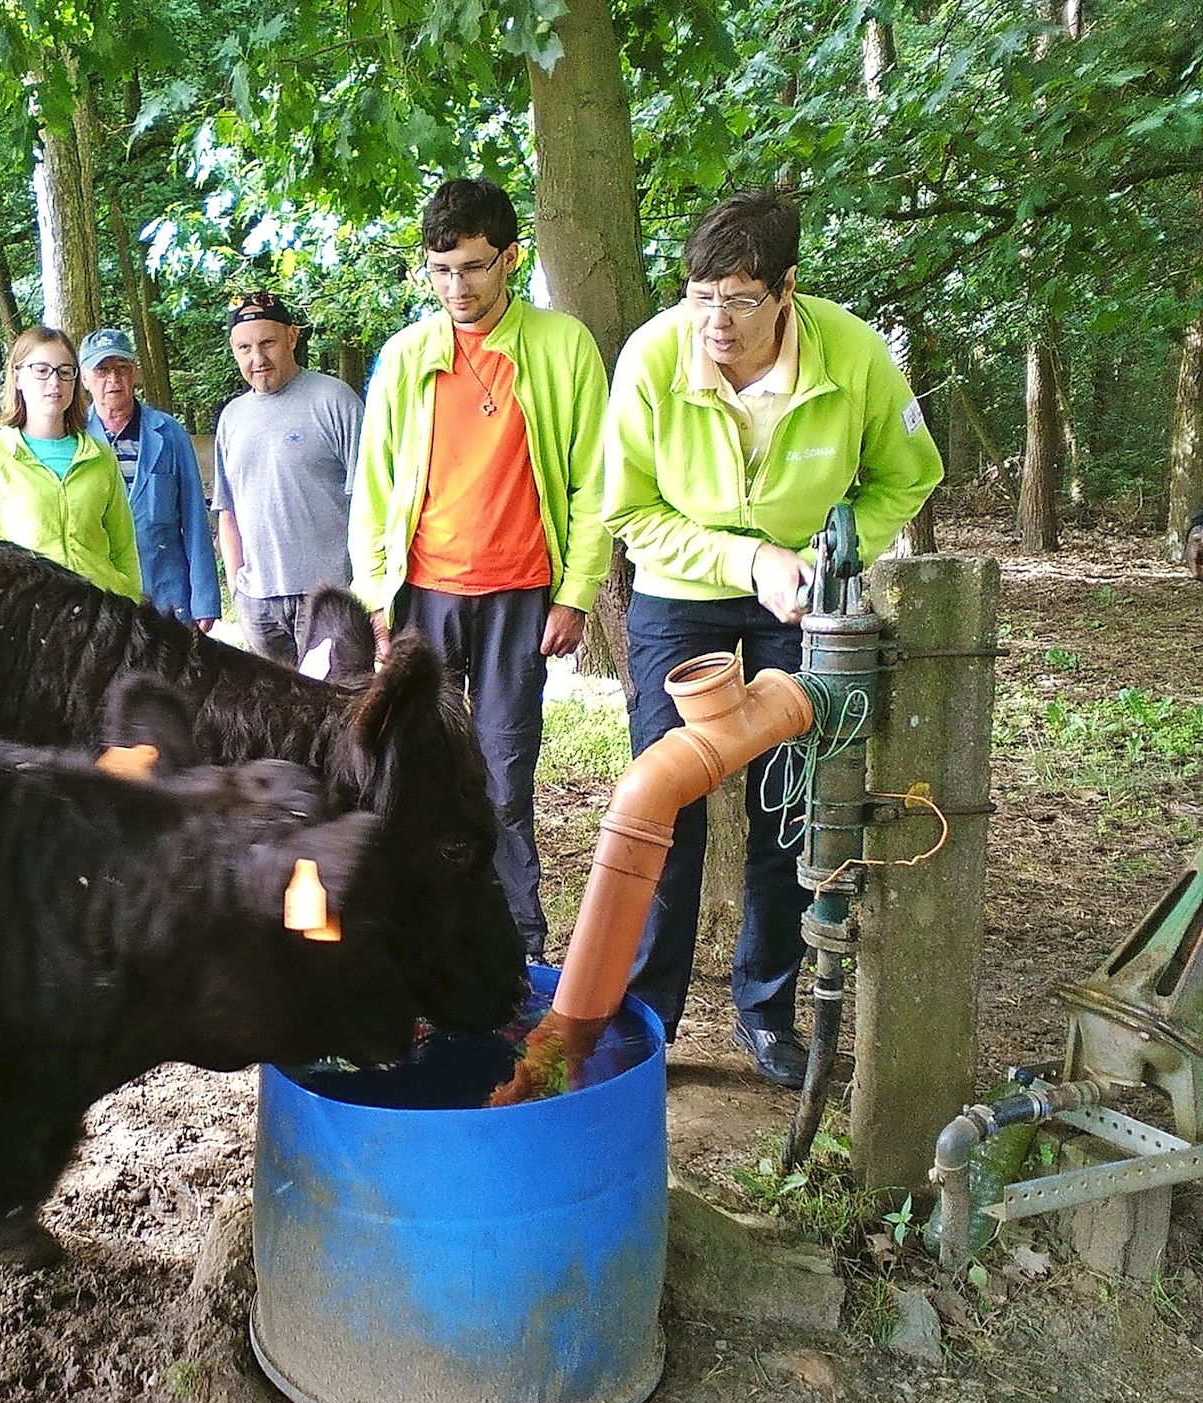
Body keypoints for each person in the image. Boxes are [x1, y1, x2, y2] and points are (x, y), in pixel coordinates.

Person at [603, 188, 943, 1088]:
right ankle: (649, 1022)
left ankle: (767, 1014)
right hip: (681, 594)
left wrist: (832, 552)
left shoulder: (855, 354)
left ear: (787, 288)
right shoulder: (651, 355)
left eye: (740, 299)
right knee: (664, 806)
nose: (715, 319)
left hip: (804, 604)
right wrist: (745, 557)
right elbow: (629, 509)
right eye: (700, 294)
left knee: (789, 807)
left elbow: (910, 475)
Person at [351, 177, 610, 964]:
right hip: (423, 594)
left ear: (510, 259)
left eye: (471, 267)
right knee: (413, 773)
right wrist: (375, 596)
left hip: (521, 596)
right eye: (439, 271)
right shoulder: (405, 357)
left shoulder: (563, 348)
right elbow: (371, 480)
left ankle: (516, 943)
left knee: (503, 775)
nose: (455, 288)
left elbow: (596, 481)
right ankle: (418, 937)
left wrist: (577, 593)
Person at [211, 292, 362, 664]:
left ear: (292, 337)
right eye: (244, 347)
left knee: (337, 712)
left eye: (267, 343)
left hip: (328, 601)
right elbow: (226, 510)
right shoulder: (232, 418)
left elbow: (368, 503)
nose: (257, 359)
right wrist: (238, 589)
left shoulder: (335, 401)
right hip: (258, 605)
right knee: (273, 720)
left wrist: (362, 589)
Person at [0, 325, 142, 601]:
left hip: (101, 623)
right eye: (41, 370)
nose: (55, 382)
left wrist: (133, 609)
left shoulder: (100, 457)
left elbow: (124, 551)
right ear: (17, 377)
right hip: (27, 624)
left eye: (65, 371)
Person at [78, 328, 221, 630]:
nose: (113, 379)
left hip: (168, 595)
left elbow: (195, 517)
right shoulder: (75, 438)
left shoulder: (169, 434)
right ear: (84, 378)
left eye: (122, 368)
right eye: (102, 370)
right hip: (101, 596)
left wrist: (204, 599)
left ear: (135, 373)